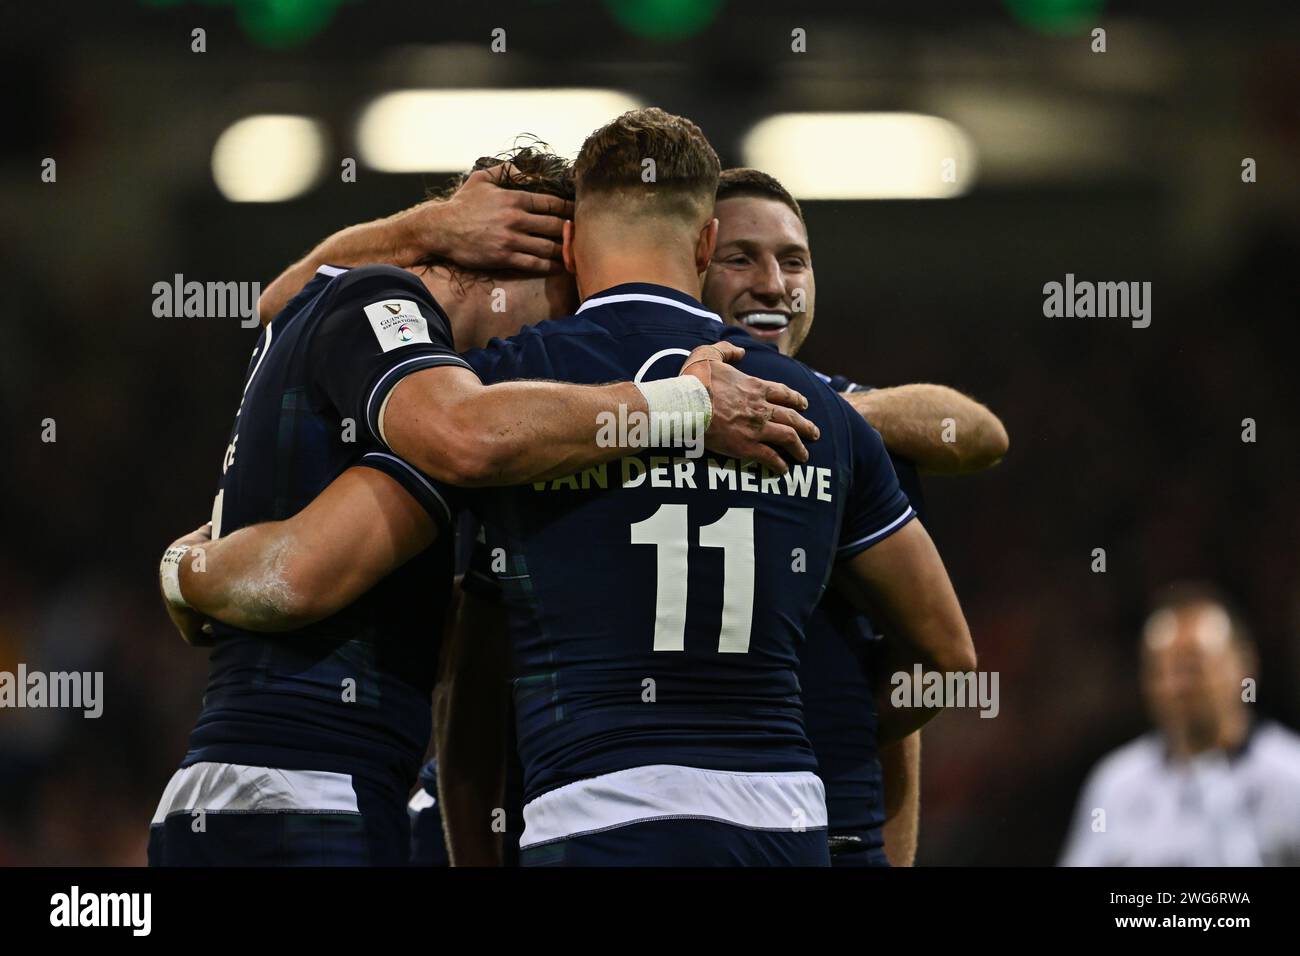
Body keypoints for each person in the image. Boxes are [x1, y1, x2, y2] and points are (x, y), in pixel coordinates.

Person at [150, 147, 817, 866]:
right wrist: (684, 403)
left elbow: (278, 296)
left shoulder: (327, 317)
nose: (559, 338)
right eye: (569, 300)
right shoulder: (385, 314)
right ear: (516, 259)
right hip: (306, 800)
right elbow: (330, 553)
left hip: (251, 791)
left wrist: (183, 567)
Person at [702, 168, 1009, 865]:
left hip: (826, 820)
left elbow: (983, 433)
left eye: (794, 260)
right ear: (693, 261)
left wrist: (822, 419)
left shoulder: (860, 441)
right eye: (741, 257)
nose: (775, 284)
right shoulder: (636, 415)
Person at [1060, 583, 1300, 866]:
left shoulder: (1291, 775)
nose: (1176, 686)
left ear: (1243, 664)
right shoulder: (1115, 784)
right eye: (1160, 670)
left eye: (1191, 667)